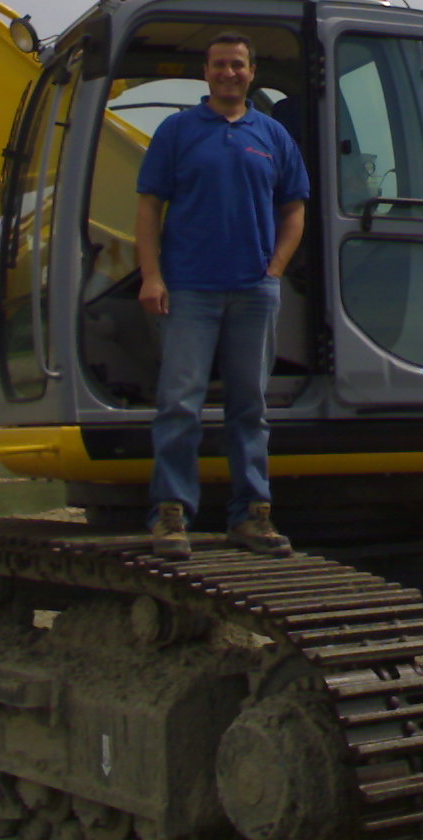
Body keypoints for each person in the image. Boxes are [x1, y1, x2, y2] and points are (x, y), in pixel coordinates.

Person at [136, 33, 310, 559]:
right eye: (218, 65)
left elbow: (294, 211)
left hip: (253, 293)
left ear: (251, 72)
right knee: (179, 405)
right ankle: (170, 516)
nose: (228, 73)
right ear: (205, 72)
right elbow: (149, 208)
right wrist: (152, 275)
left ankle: (252, 516)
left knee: (249, 407)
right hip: (190, 289)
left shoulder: (273, 136)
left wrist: (273, 271)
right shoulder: (177, 132)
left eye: (237, 65)